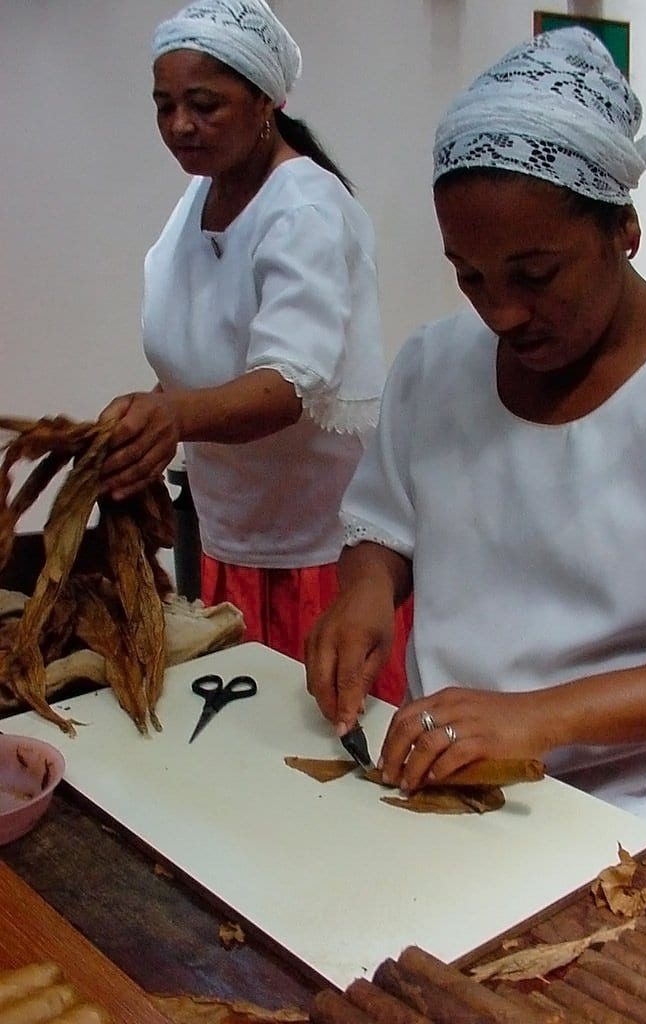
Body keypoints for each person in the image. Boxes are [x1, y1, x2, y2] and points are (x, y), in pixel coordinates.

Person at [306, 27, 646, 883]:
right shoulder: (433, 367)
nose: (503, 313)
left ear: (623, 228)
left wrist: (536, 719)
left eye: (536, 273)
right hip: (455, 781)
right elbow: (385, 525)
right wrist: (366, 594)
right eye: (470, 276)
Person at [98, 0, 408, 704]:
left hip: (319, 551)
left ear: (265, 99)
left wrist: (168, 416)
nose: (180, 125)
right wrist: (149, 424)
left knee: (314, 737)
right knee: (237, 733)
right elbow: (192, 350)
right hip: (228, 523)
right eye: (165, 105)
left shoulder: (303, 210)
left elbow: (286, 387)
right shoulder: (197, 201)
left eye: (204, 104)